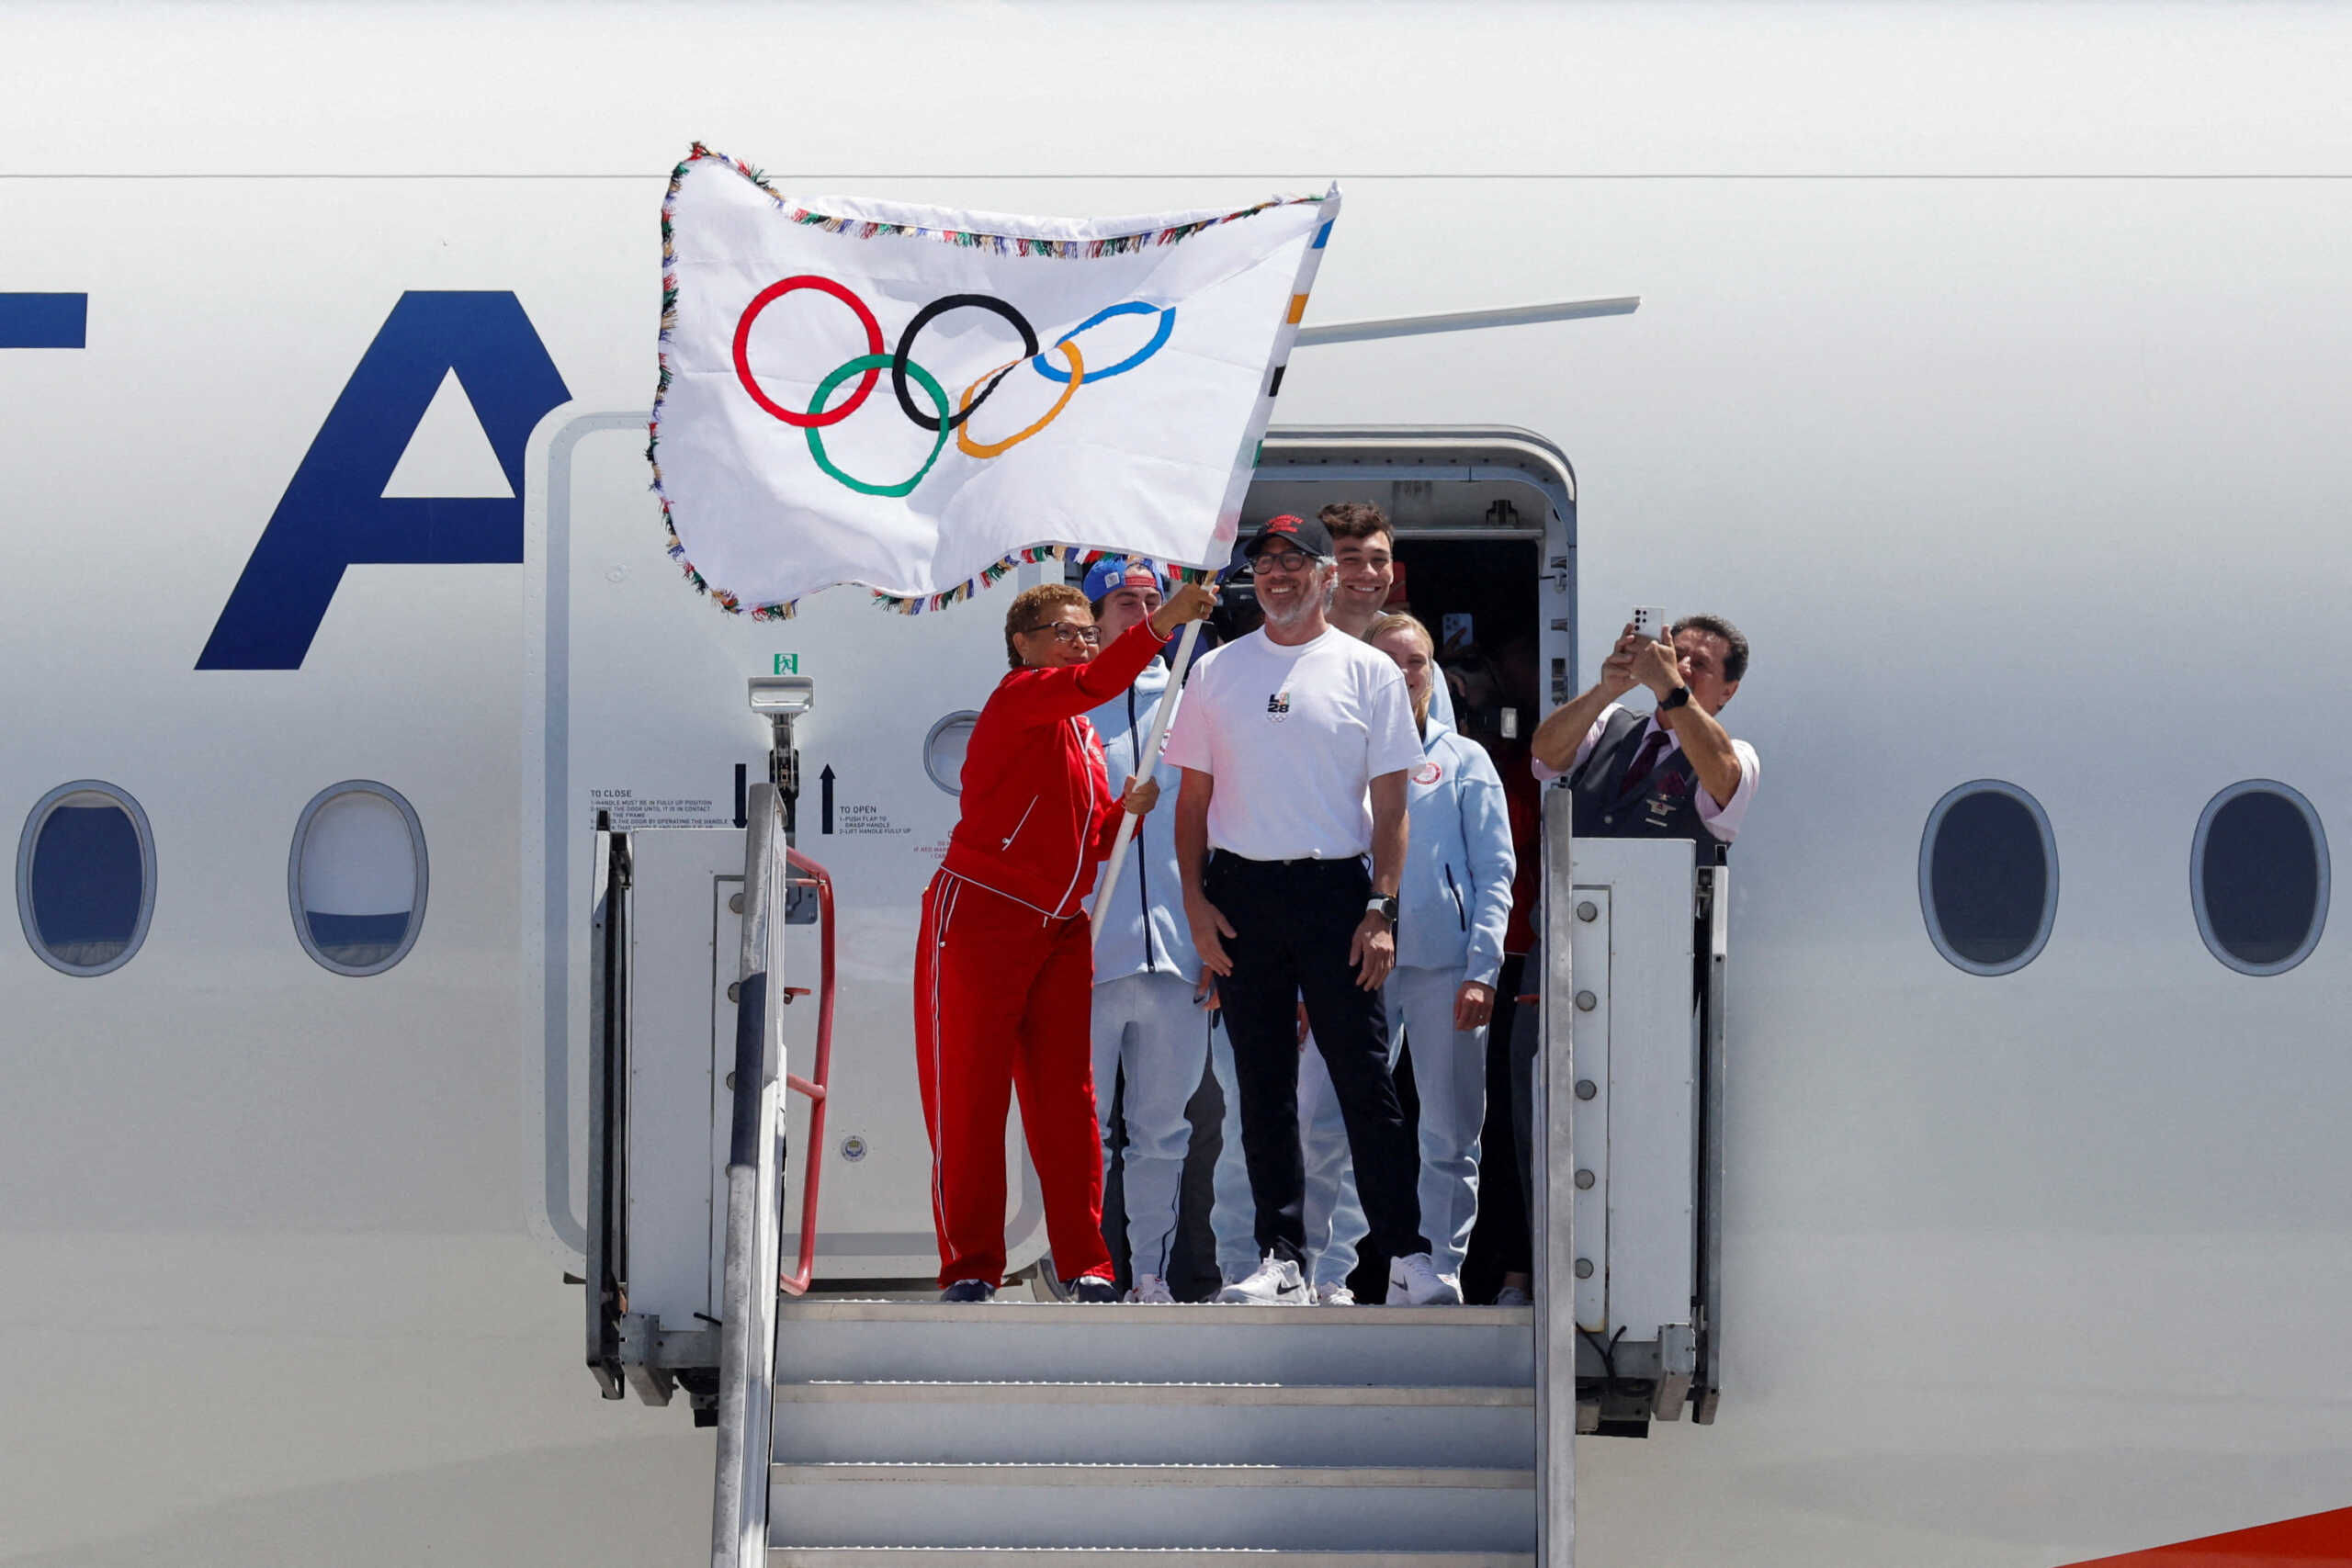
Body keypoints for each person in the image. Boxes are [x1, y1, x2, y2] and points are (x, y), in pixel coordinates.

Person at [1162, 512, 1457, 1307]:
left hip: (1337, 896)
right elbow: (1192, 800)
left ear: (1327, 576)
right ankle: (1278, 1256)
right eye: (1265, 565)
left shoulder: (1368, 670)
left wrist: (1380, 907)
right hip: (1241, 897)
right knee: (1261, 1088)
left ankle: (1404, 1255)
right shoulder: (1216, 669)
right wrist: (1194, 904)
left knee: (1366, 1084)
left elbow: (1394, 803)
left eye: (1295, 563)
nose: (1278, 577)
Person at [914, 572, 1218, 1303]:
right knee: (972, 1098)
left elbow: (1086, 834)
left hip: (1057, 926)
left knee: (1070, 1101)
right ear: (1023, 646)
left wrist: (1127, 813)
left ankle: (1088, 1260)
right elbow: (1089, 684)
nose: (1082, 643)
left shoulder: (1078, 730)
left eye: (1088, 631)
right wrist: (1164, 623)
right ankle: (972, 1265)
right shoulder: (1021, 696)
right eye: (1066, 632)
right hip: (983, 916)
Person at [1494, 613, 1758, 1305]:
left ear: (1727, 691)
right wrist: (1607, 689)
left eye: (1701, 664)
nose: (1681, 666)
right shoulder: (1607, 732)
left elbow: (1723, 784)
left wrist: (1673, 694)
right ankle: (1535, 1267)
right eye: (1676, 655)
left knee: (1635, 1127)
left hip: (1650, 977)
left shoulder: (1732, 748)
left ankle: (1625, 1284)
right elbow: (1545, 757)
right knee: (1537, 1122)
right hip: (1561, 963)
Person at [1297, 613, 1514, 1302]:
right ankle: (1325, 1274)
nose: (1401, 674)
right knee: (1329, 1121)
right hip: (1355, 968)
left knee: (1449, 1133)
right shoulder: (1335, 753)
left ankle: (1436, 1273)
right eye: (1385, 662)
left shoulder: (1464, 760)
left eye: (1414, 661)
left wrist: (1483, 967)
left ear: (1432, 671)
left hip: (1445, 969)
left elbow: (1495, 872)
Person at [1080, 557, 1253, 1303]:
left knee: (1162, 1132)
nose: (1144, 612)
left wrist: (1213, 938)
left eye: (1154, 600)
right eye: (1126, 602)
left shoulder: (1196, 703)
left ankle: (1147, 1273)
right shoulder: (1069, 707)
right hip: (1085, 957)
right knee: (1085, 1129)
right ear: (1095, 617)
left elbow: (1226, 830)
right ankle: (1083, 1265)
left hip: (1178, 957)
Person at [1320, 500, 1457, 728]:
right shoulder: (1291, 649)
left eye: (1379, 560)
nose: (1368, 572)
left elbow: (1440, 756)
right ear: (1323, 567)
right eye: (1351, 559)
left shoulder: (1417, 662)